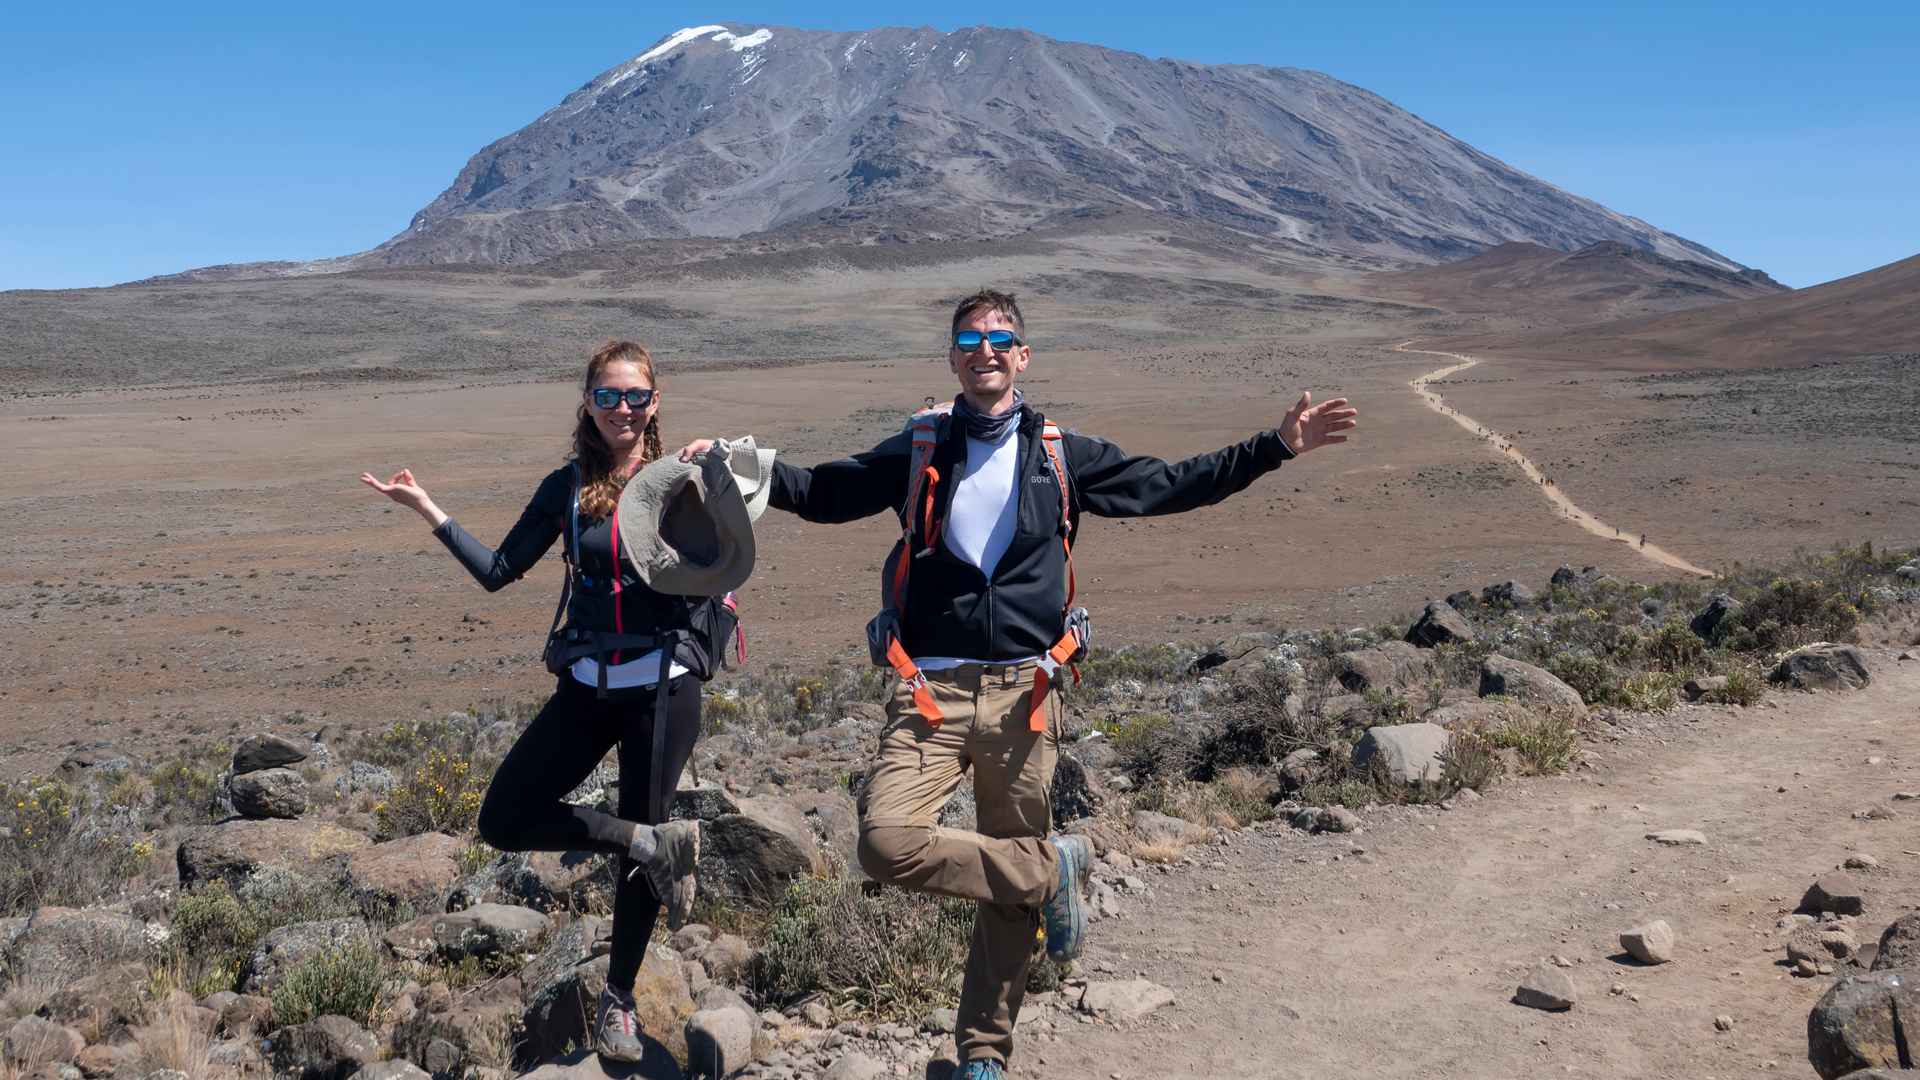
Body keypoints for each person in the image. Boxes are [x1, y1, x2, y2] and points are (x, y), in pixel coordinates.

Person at [678, 289, 1358, 1078]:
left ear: (1022, 357)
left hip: (1026, 691)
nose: (985, 353)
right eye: (969, 341)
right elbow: (828, 491)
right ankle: (1050, 869)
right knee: (886, 842)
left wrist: (1275, 446)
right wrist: (737, 465)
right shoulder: (921, 447)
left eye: (999, 340)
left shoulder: (1062, 455)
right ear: (953, 358)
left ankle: (983, 1053)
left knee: (1004, 872)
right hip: (929, 693)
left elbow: (1171, 483)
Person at [359, 339, 704, 1065]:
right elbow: (499, 570)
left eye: (635, 396)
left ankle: (619, 1000)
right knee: (505, 817)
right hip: (588, 686)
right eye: (607, 395)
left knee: (643, 852)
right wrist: (427, 509)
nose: (622, 409)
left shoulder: (682, 478)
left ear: (655, 403)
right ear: (588, 403)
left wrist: (723, 469)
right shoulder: (565, 487)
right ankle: (641, 839)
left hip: (663, 687)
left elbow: (734, 545)